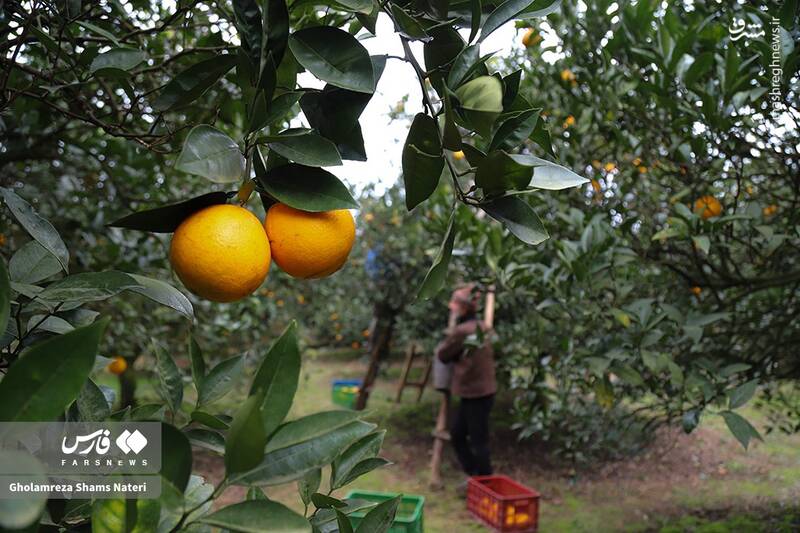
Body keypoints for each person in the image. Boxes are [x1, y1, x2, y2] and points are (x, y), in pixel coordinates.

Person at [435, 285, 496, 477]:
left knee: (477, 440)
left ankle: (484, 480)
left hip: (475, 393)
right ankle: (475, 475)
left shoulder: (461, 331)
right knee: (459, 434)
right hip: (482, 391)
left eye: (454, 304)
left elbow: (443, 355)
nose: (451, 307)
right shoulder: (483, 327)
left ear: (462, 308)